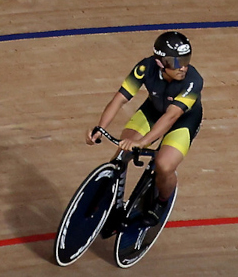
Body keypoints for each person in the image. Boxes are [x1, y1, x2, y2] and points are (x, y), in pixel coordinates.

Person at [86, 30, 203, 225]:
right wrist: (100, 127)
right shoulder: (145, 67)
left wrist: (141, 142)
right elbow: (119, 99)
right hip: (152, 112)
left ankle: (161, 202)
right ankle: (108, 201)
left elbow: (171, 116)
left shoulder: (193, 80)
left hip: (182, 121)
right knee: (122, 154)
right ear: (160, 62)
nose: (183, 67)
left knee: (164, 166)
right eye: (176, 62)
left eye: (186, 59)